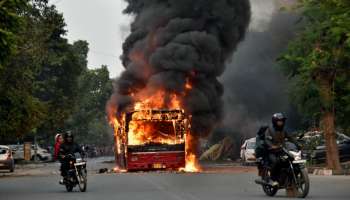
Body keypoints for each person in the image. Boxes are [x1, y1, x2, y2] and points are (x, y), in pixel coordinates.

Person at [255, 113, 297, 185]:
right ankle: (271, 178)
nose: (280, 122)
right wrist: (272, 146)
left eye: (282, 121)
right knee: (276, 161)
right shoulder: (269, 130)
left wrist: (297, 144)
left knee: (290, 159)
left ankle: (289, 177)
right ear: (275, 121)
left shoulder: (283, 130)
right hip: (271, 151)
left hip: (281, 150)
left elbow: (290, 138)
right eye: (279, 121)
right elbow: (267, 140)